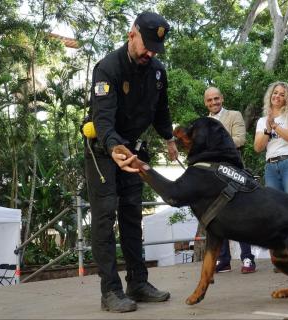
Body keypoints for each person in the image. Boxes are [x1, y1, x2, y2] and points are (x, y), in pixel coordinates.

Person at [84, 12, 178, 313]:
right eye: (146, 44)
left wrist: (168, 138)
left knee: (132, 215)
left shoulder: (157, 71)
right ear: (131, 34)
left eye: (155, 48)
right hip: (103, 150)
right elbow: (103, 120)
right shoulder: (108, 68)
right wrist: (114, 148)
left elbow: (160, 109)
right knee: (105, 216)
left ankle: (137, 282)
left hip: (133, 151)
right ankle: (109, 290)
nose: (150, 52)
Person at [203, 87, 256, 274]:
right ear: (205, 103)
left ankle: (248, 258)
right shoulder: (204, 122)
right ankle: (223, 260)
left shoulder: (234, 115)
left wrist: (215, 147)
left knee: (240, 215)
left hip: (233, 171)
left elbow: (240, 140)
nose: (213, 103)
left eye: (216, 98)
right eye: (209, 100)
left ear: (222, 98)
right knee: (218, 215)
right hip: (212, 175)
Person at [253, 81, 288, 199]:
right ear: (270, 95)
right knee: (275, 209)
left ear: (287, 99)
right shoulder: (262, 121)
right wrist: (267, 129)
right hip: (271, 167)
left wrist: (275, 126)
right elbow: (258, 148)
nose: (277, 96)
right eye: (275, 93)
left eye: (282, 95)